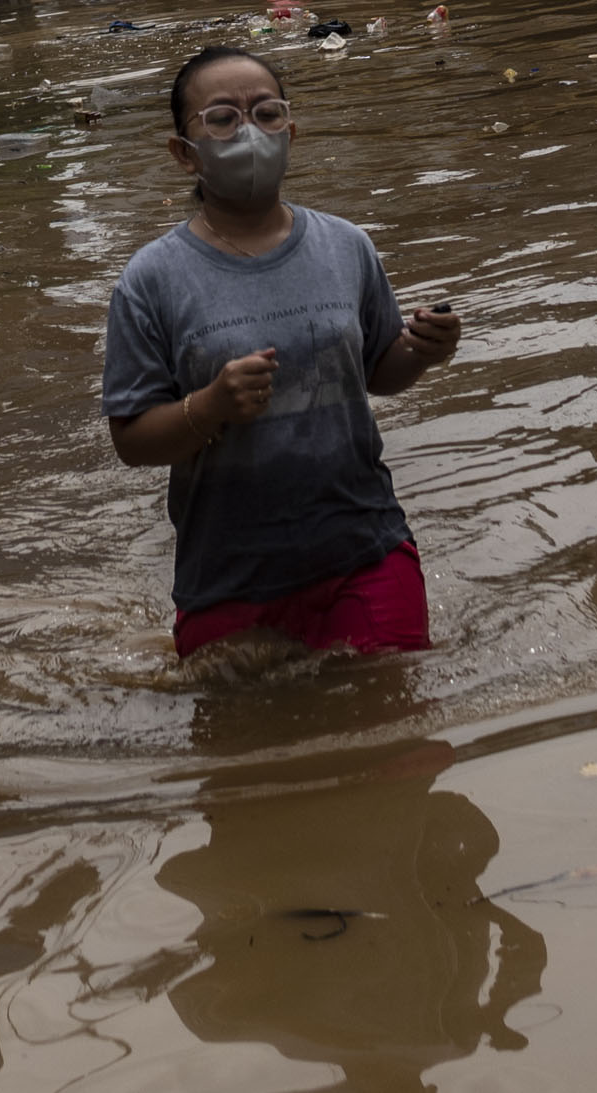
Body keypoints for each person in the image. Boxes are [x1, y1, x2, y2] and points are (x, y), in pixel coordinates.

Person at [100, 47, 462, 660]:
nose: (249, 131)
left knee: (401, 740)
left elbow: (378, 370)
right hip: (228, 575)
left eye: (267, 114)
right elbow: (132, 440)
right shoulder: (151, 280)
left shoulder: (345, 246)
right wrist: (210, 405)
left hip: (364, 549)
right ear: (183, 153)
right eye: (221, 118)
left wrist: (425, 351)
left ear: (290, 131)